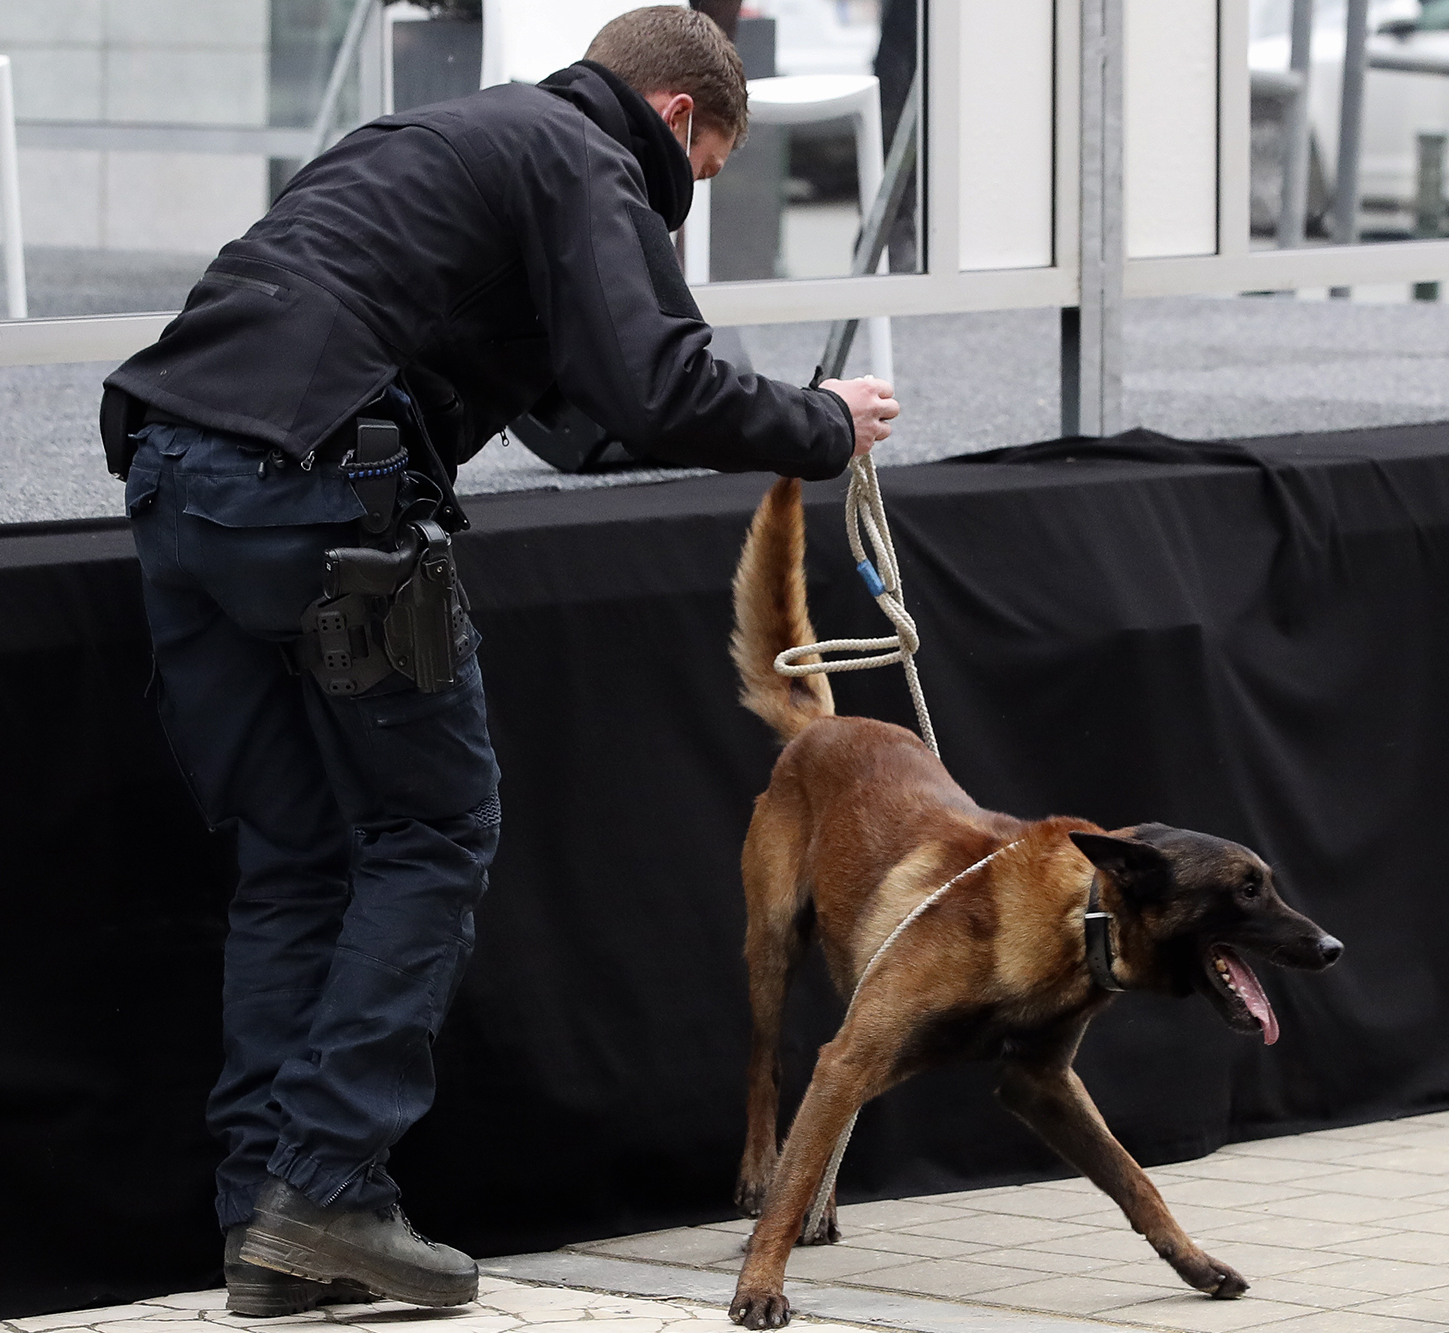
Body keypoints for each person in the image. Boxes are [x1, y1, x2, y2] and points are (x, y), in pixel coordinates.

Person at [97, 5, 899, 1319]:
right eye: (697, 181)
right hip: (318, 490)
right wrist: (823, 422)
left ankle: (265, 1219)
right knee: (433, 827)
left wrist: (746, 420)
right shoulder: (588, 157)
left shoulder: (461, 139)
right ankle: (332, 1190)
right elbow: (653, 381)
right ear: (679, 118)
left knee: (296, 854)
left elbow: (584, 421)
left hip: (175, 471)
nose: (682, 209)